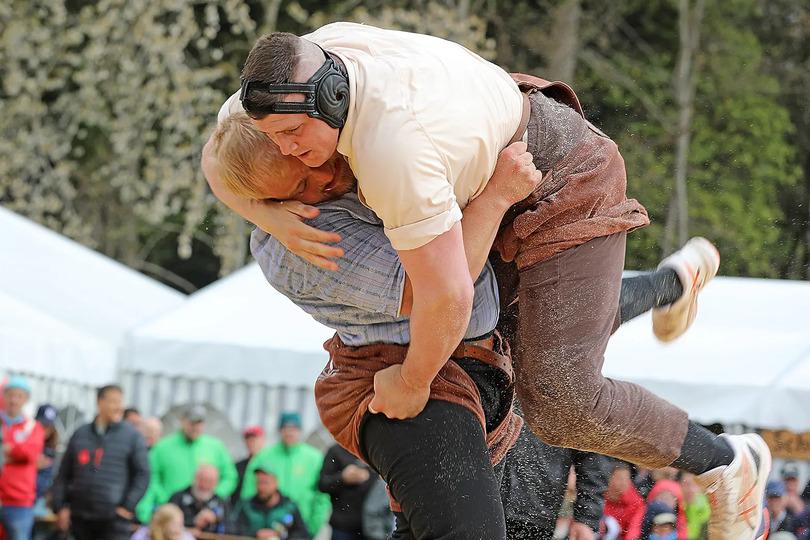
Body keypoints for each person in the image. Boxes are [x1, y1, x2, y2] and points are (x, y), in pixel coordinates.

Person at [211, 23, 770, 539]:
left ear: (328, 96)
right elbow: (218, 155)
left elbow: (452, 293)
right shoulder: (284, 103)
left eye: (305, 156)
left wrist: (412, 378)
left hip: (550, 174)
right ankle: (671, 282)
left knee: (559, 396)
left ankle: (727, 460)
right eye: (298, 180)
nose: (325, 177)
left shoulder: (390, 154)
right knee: (534, 326)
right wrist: (260, 211)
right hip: (484, 188)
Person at [51, 384, 150, 540]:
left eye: (120, 402)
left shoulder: (132, 436)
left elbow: (143, 474)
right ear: (99, 402)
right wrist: (60, 506)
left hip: (114, 521)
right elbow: (63, 474)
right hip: (80, 518)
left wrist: (127, 506)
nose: (119, 407)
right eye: (113, 401)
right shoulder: (80, 434)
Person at [241, 412, 330, 537]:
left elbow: (322, 495)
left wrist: (313, 526)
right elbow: (248, 492)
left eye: (293, 429)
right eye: (285, 428)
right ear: (279, 431)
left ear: (300, 431)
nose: (289, 433)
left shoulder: (314, 458)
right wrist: (254, 529)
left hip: (301, 528)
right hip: (266, 529)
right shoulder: (263, 456)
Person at [146, 404, 237, 519]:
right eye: (192, 422)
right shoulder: (162, 447)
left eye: (199, 423)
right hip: (171, 510)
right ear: (182, 421)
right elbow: (151, 476)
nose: (195, 427)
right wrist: (163, 497)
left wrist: (214, 497)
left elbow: (230, 476)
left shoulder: (215, 447)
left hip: (205, 513)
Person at [0, 376, 45, 540]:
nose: (14, 400)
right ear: (4, 396)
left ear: (25, 399)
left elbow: (30, 453)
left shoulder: (32, 427)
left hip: (19, 500)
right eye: (11, 395)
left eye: (19, 396)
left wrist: (8, 448)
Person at [232, 466, 310, 540]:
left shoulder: (289, 506)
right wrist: (255, 533)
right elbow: (233, 530)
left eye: (265, 483)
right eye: (259, 482)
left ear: (276, 483)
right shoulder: (246, 506)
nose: (262, 487)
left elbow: (303, 534)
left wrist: (281, 535)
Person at [318, 442, 374, 540]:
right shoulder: (336, 451)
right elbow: (322, 484)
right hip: (343, 525)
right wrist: (342, 478)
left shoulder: (373, 449)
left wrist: (368, 476)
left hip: (372, 525)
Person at [168, 463, 227, 534]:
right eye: (203, 479)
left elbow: (234, 529)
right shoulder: (178, 498)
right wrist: (193, 522)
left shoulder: (221, 502)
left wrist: (216, 520)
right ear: (195, 478)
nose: (205, 485)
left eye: (210, 481)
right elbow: (166, 523)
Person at [603, 463, 646, 539]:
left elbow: (634, 529)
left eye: (627, 479)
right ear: (608, 478)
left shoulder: (637, 503)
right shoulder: (599, 496)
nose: (623, 483)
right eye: (619, 478)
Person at [33, 404, 59, 518]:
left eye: (48, 426)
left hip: (40, 503)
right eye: (42, 425)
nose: (45, 430)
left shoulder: (51, 450)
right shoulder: (24, 442)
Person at [234, 425, 265, 506]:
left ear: (262, 440)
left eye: (254, 439)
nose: (251, 442)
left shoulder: (268, 465)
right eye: (248, 439)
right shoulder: (238, 465)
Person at [130, 504, 195, 540]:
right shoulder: (144, 534)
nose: (179, 528)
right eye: (175, 524)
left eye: (181, 524)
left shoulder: (186, 537)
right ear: (163, 524)